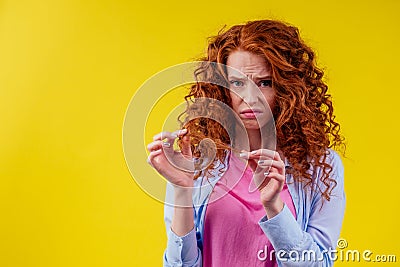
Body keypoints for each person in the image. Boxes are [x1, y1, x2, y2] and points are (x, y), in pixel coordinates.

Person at [147, 19, 346, 267]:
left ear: (288, 88)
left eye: (264, 83)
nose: (250, 98)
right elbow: (180, 265)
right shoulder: (197, 161)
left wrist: (275, 207)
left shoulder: (320, 166)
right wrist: (182, 188)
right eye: (238, 83)